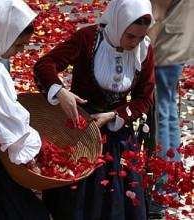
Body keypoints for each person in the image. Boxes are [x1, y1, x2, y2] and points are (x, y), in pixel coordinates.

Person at [34, 0, 155, 219]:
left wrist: (114, 115)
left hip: (116, 127)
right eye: (130, 36)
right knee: (79, 200)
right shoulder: (89, 39)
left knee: (118, 198)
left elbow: (144, 99)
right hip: (81, 126)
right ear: (118, 25)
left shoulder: (144, 49)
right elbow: (45, 65)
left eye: (140, 37)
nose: (135, 43)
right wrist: (60, 92)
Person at [0, 0, 49, 219]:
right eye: (18, 45)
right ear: (0, 32)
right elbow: (7, 124)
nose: (21, 52)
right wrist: (28, 153)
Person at [147, 0, 194, 217]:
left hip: (164, 41)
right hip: (178, 38)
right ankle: (170, 189)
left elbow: (158, 10)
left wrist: (146, 43)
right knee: (169, 114)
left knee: (163, 116)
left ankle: (163, 192)